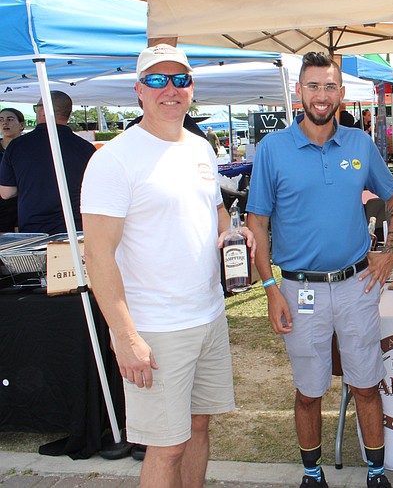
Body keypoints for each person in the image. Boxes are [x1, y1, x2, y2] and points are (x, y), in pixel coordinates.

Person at [81, 44, 253, 488]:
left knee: (198, 428)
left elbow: (214, 210)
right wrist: (126, 337)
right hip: (155, 327)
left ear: (192, 88)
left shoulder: (200, 147)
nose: (170, 89)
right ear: (139, 90)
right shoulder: (113, 159)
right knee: (166, 446)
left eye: (180, 80)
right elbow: (97, 255)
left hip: (209, 315)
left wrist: (233, 233)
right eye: (157, 80)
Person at [246, 52, 393, 488]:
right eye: (313, 86)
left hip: (355, 286)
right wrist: (271, 289)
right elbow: (257, 222)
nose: (321, 95)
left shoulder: (359, 144)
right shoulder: (272, 149)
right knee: (309, 391)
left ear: (341, 93)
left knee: (367, 385)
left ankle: (377, 473)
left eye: (330, 86)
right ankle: (312, 476)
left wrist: (388, 251)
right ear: (299, 92)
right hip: (298, 291)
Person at [0, 91, 95, 235]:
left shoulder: (17, 146)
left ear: (43, 110)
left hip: (34, 229)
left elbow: (6, 192)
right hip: (75, 228)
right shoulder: (86, 148)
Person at [0, 108, 25, 232]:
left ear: (21, 125)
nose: (5, 123)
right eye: (1, 120)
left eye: (10, 119)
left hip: (24, 205)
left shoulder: (29, 147)